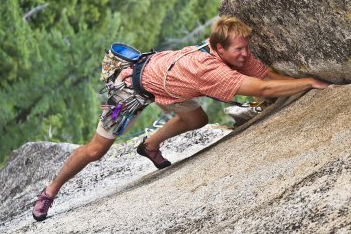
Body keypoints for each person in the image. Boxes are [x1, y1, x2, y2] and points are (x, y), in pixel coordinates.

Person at [32, 15, 329, 221]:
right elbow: (263, 88)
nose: (245, 54)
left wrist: (294, 80)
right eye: (240, 49)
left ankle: (149, 146)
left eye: (245, 48)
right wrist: (309, 82)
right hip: (132, 88)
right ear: (220, 48)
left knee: (196, 120)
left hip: (168, 84)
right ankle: (50, 191)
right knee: (96, 151)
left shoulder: (226, 50)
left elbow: (264, 76)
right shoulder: (210, 70)